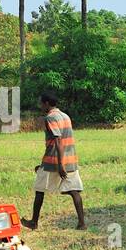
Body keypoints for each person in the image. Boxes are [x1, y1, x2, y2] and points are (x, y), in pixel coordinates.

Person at [22, 92, 86, 230]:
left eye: (41, 103)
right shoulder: (65, 116)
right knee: (74, 191)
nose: (40, 106)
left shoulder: (50, 118)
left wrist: (59, 165)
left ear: (46, 103)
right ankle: (82, 223)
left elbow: (57, 141)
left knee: (39, 189)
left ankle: (34, 222)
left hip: (53, 161)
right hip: (71, 160)